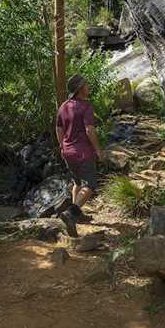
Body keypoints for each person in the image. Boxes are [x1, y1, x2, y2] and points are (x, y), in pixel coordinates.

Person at [55, 74, 104, 237]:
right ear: (80, 89)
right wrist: (98, 149)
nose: (88, 87)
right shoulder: (86, 106)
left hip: (68, 152)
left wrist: (62, 147)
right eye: (86, 85)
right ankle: (72, 213)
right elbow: (90, 129)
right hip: (83, 152)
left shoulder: (63, 106)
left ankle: (78, 216)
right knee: (90, 185)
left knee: (76, 182)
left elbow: (59, 129)